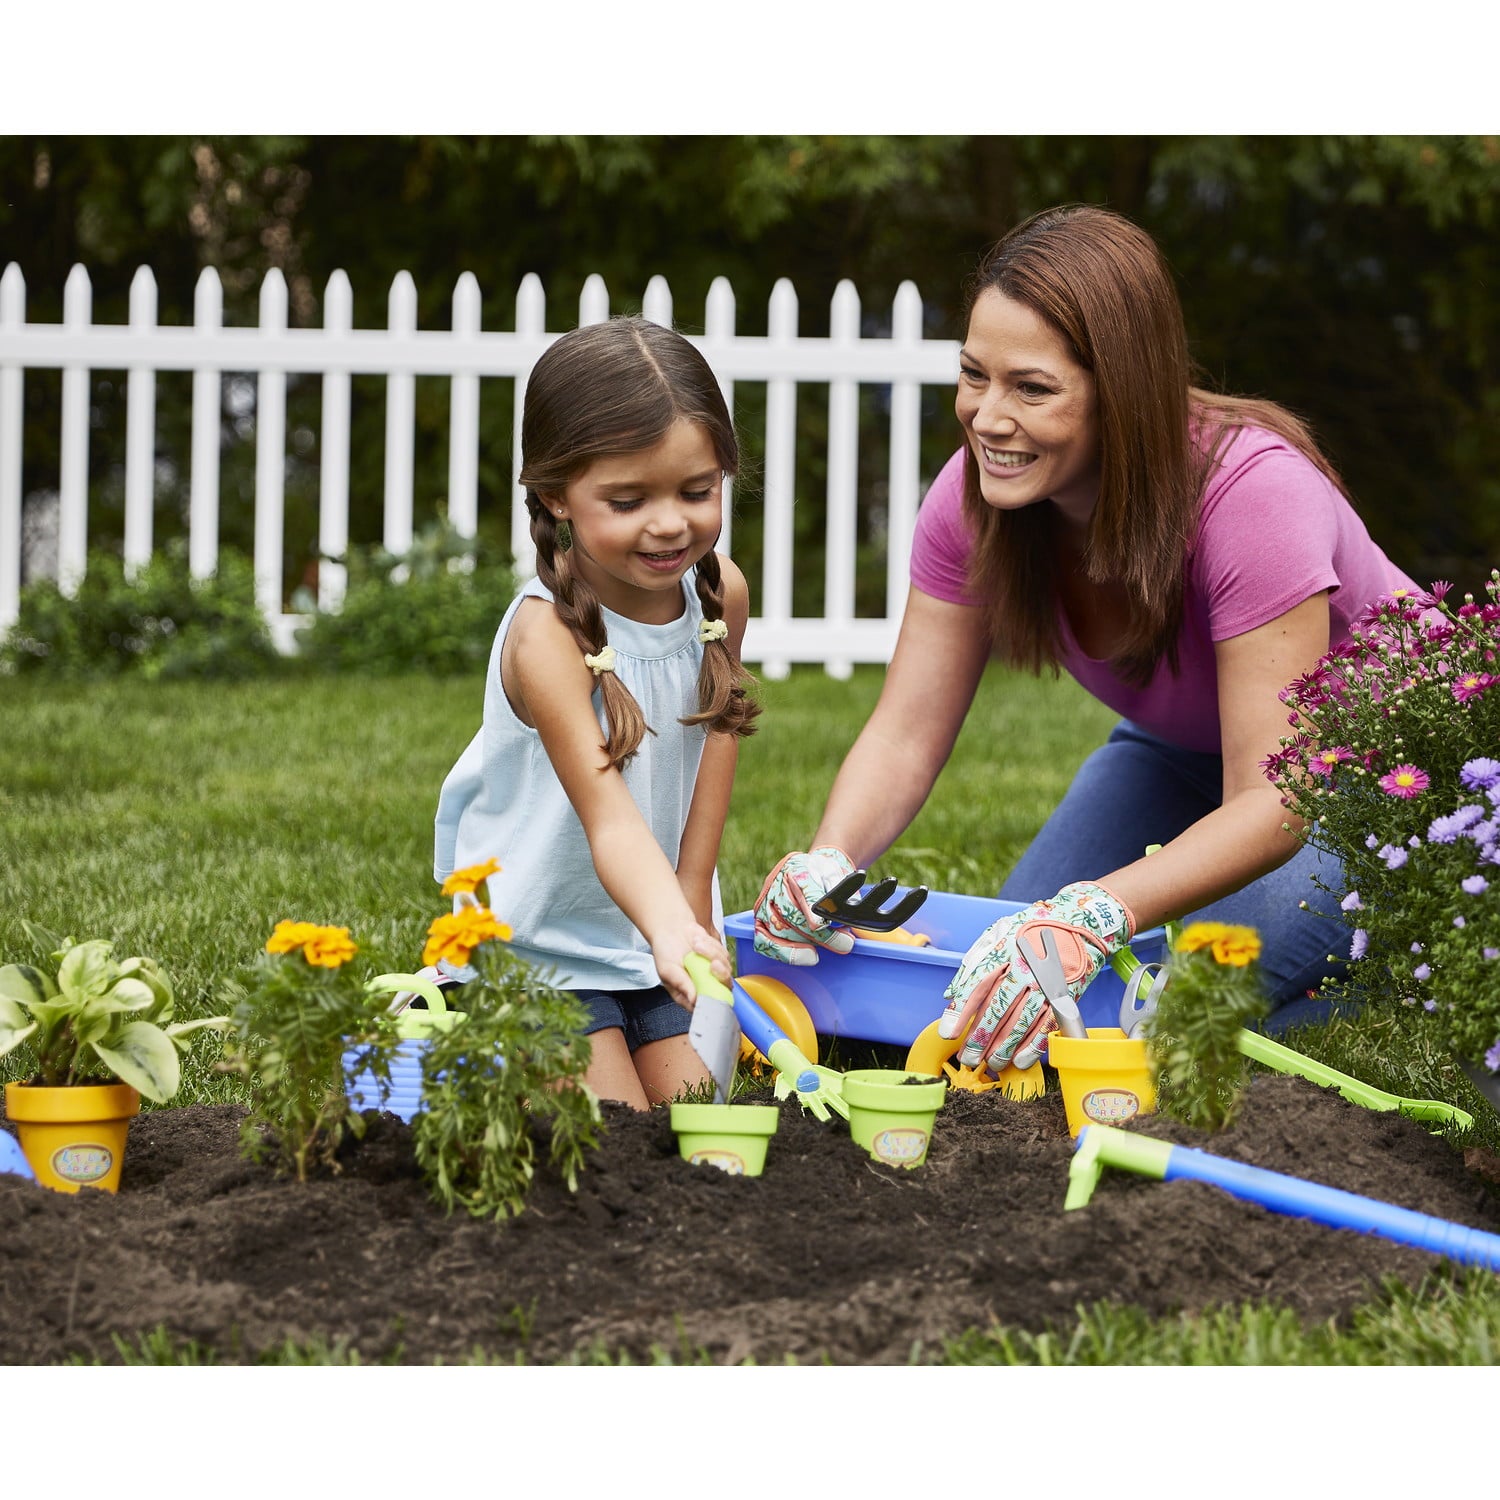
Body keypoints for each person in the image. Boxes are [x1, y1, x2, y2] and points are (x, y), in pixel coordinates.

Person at [754, 203, 1416, 1075]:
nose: (988, 418)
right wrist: (828, 860)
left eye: (1032, 389)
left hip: (1383, 781)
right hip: (1180, 748)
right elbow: (905, 731)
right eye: (974, 376)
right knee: (992, 980)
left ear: (1123, 394)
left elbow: (1276, 796)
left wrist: (1097, 914)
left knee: (1170, 1001)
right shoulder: (975, 500)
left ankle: (1398, 973)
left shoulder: (1255, 496)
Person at [432, 316, 759, 1110]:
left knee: (696, 1123)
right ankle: (455, 1019)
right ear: (555, 495)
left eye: (697, 490)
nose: (670, 523)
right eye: (627, 499)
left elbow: (710, 782)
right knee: (614, 1141)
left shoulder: (723, 595)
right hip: (539, 948)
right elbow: (608, 819)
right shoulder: (547, 636)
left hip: (657, 938)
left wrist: (687, 928)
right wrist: (668, 930)